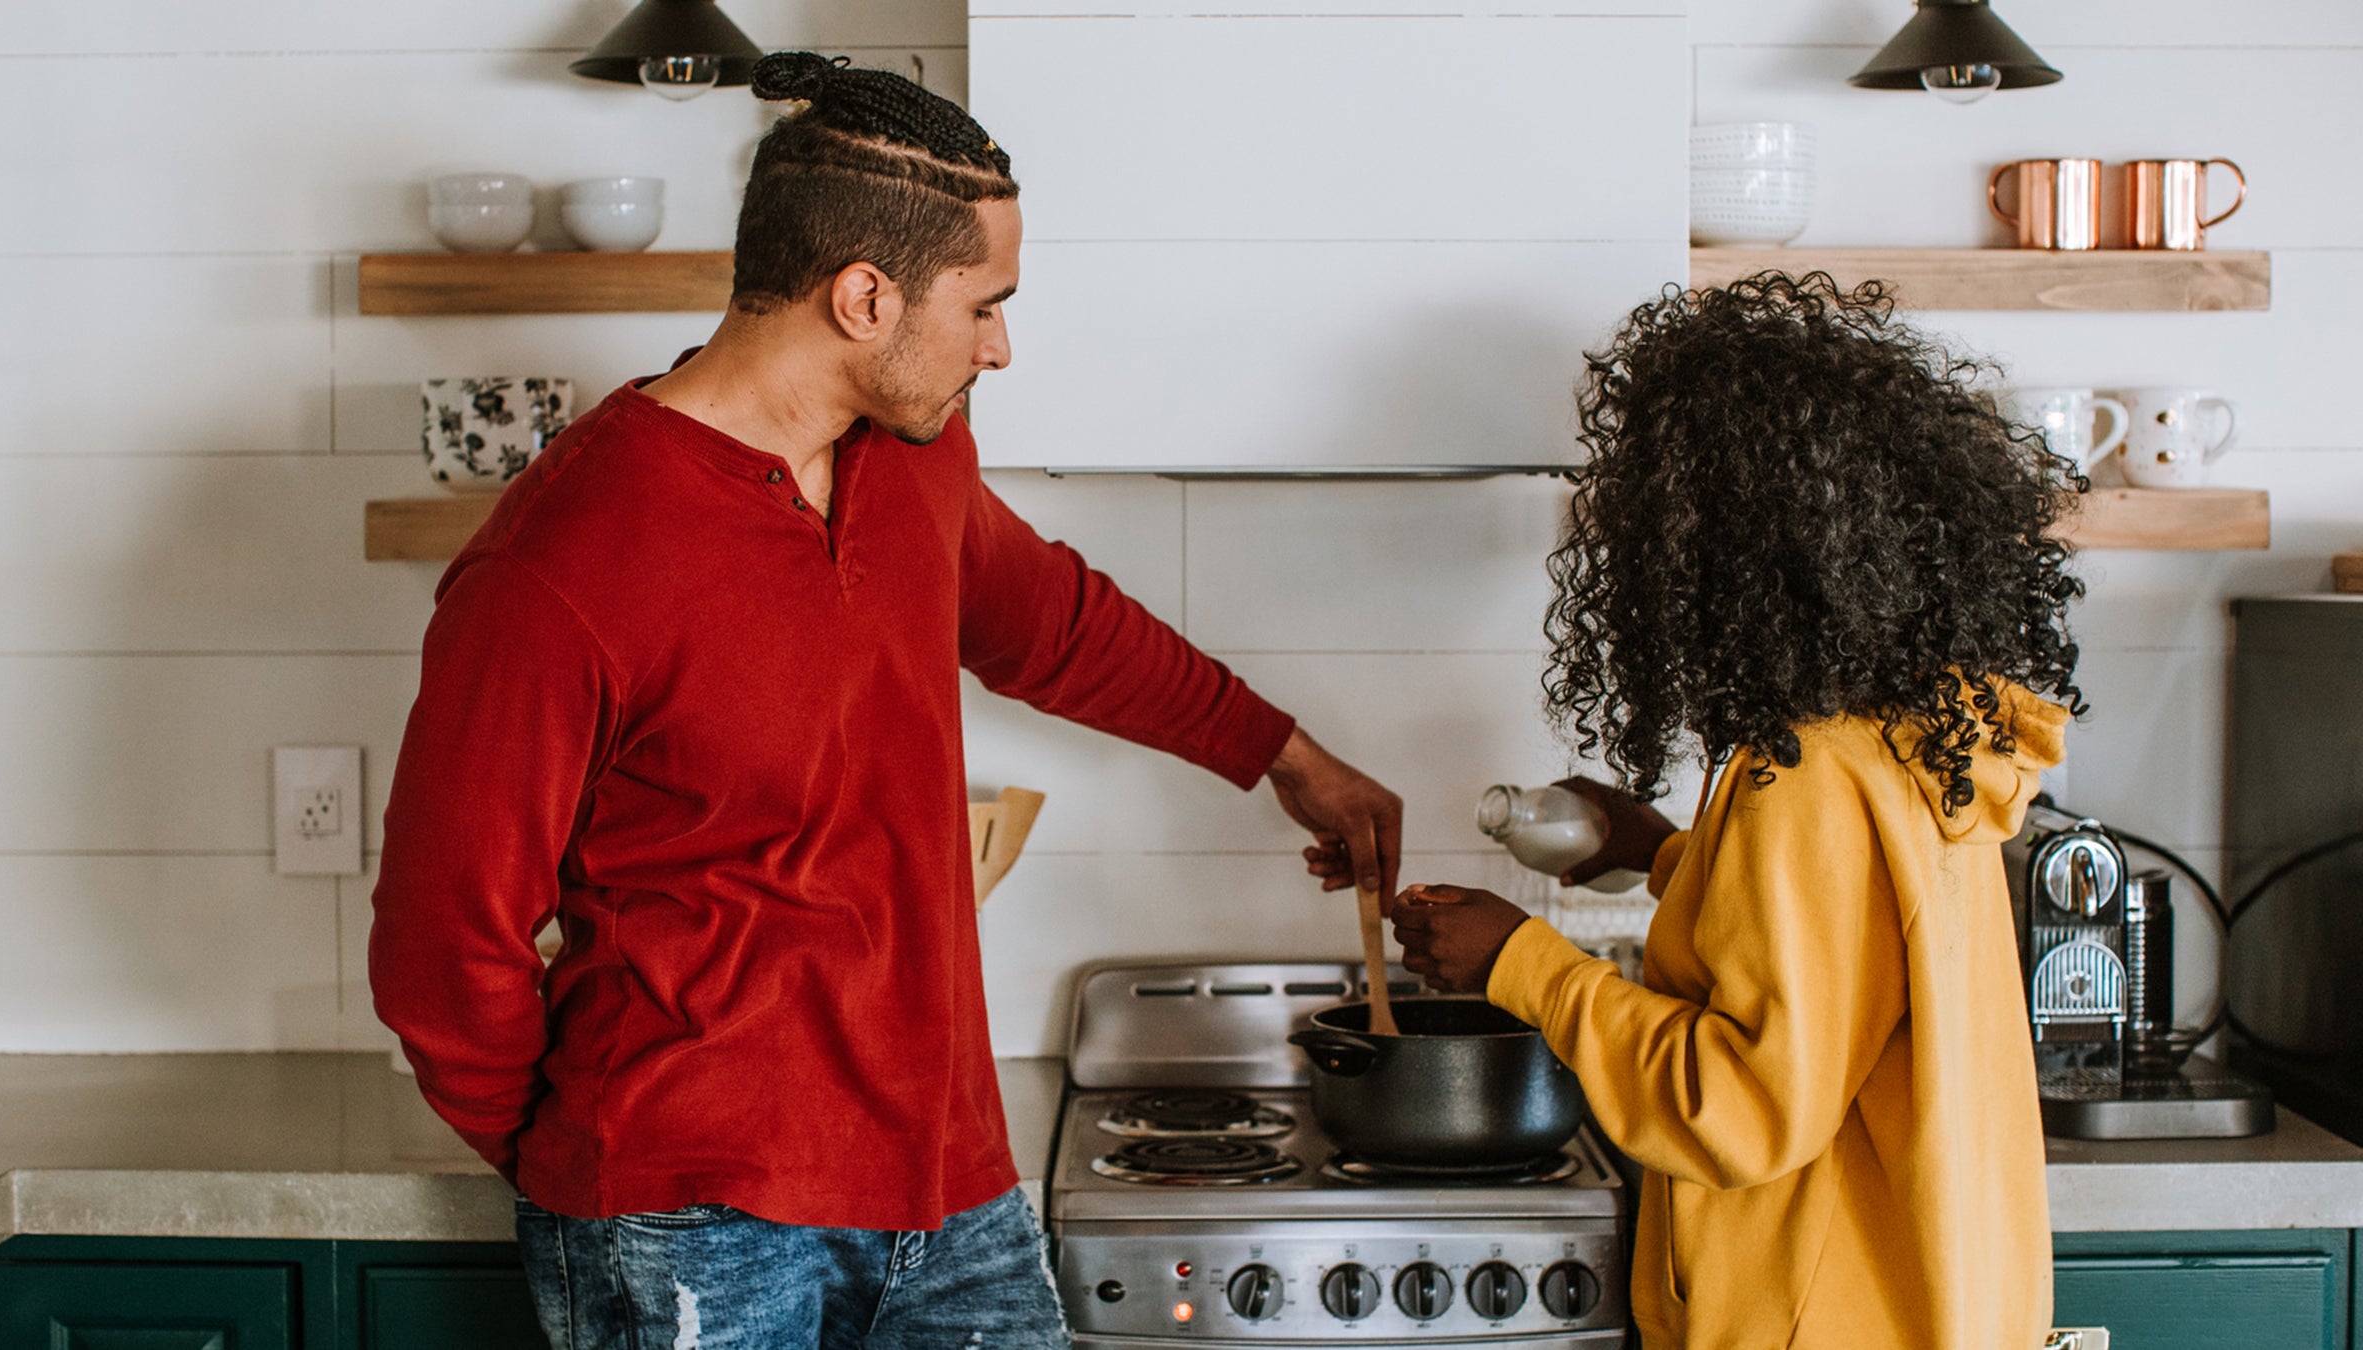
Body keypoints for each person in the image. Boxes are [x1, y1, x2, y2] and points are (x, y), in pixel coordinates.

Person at [369, 51, 1401, 1350]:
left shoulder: (913, 459)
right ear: (865, 296)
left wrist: (1286, 757)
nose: (1001, 343)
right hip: (691, 1216)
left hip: (944, 1184)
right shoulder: (561, 565)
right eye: (984, 303)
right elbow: (441, 942)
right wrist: (581, 1164)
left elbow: (1056, 622)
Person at [1391, 272, 2084, 1350]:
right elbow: (1849, 951)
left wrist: (1517, 960)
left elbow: (1744, 1105)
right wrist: (1671, 856)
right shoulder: (1914, 734)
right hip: (1917, 1305)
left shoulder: (1804, 777)